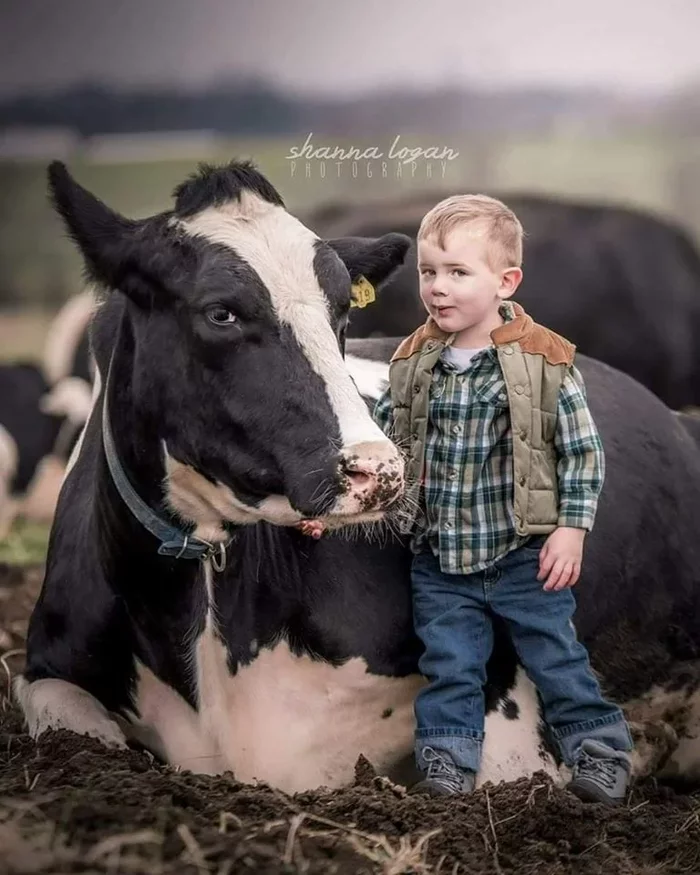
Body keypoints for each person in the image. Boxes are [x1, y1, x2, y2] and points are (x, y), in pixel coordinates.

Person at [298, 193, 633, 805]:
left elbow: (583, 452)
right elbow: (386, 455)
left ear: (506, 282)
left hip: (522, 556)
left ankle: (602, 753)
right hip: (439, 561)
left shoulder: (545, 362)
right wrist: (335, 509)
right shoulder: (411, 364)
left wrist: (571, 528)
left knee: (557, 661)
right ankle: (448, 767)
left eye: (458, 273)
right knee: (448, 667)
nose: (438, 288)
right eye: (429, 272)